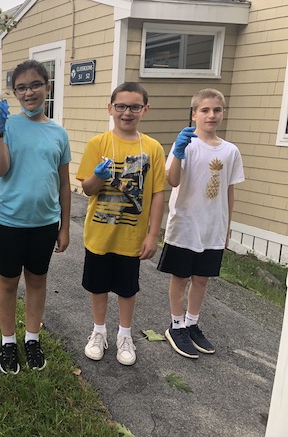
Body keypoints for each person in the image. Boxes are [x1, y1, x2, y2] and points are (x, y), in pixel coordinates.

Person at [0, 59, 71, 374]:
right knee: (8, 282)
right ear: (14, 92)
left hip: (45, 223)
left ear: (47, 87)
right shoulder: (6, 125)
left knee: (37, 281)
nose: (29, 92)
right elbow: (0, 170)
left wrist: (65, 227)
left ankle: (32, 338)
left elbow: (64, 183)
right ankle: (8, 341)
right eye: (21, 87)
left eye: (35, 84)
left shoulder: (58, 133)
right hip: (9, 220)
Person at [76, 82, 166, 366]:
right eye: (121, 106)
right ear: (110, 108)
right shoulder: (97, 144)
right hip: (100, 233)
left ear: (145, 110)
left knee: (127, 289)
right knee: (98, 286)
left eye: (135, 107)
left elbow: (157, 194)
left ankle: (124, 335)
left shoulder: (153, 148)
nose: (127, 112)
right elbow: (87, 189)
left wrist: (153, 235)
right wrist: (98, 177)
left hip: (132, 236)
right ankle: (99, 331)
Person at [157, 89, 244, 359]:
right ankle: (176, 325)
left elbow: (229, 191)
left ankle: (192, 323)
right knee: (181, 278)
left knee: (202, 279)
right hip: (185, 223)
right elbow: (172, 179)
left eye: (217, 110)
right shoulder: (187, 144)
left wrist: (227, 227)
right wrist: (179, 152)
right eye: (205, 110)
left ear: (223, 113)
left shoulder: (231, 151)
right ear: (194, 114)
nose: (211, 115)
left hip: (212, 227)